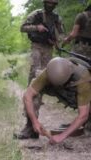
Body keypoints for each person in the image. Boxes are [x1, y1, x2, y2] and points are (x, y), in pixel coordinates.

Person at [16, 0, 65, 139]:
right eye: (48, 2)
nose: (51, 5)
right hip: (37, 48)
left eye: (53, 3)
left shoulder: (56, 18)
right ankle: (29, 126)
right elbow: (23, 27)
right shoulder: (36, 14)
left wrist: (56, 40)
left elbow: (62, 35)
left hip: (48, 51)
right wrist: (37, 27)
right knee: (33, 83)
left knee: (42, 85)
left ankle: (32, 127)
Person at [22, 57, 91, 144]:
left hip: (77, 93)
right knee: (34, 85)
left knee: (88, 131)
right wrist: (34, 121)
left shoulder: (84, 79)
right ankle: (30, 129)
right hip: (60, 88)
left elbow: (83, 115)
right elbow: (28, 96)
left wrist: (61, 136)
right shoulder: (49, 71)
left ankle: (87, 126)